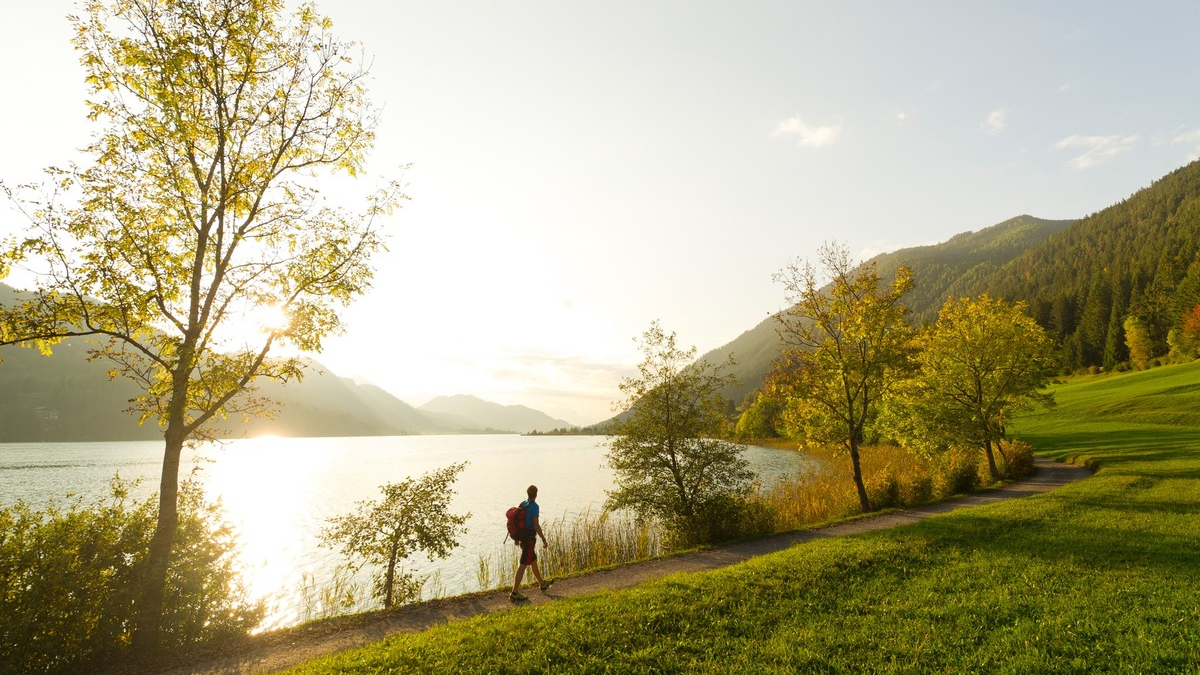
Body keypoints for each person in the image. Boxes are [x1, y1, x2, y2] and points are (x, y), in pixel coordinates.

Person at [510, 484, 553, 602]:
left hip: (523, 537)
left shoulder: (522, 504)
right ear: (536, 494)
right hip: (529, 539)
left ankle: (542, 583)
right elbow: (536, 524)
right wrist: (544, 539)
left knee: (533, 561)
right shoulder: (534, 506)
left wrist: (516, 538)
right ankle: (514, 593)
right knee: (523, 564)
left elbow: (517, 521)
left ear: (528, 493)